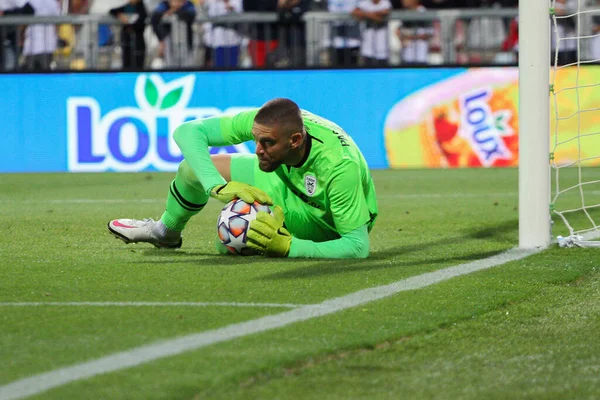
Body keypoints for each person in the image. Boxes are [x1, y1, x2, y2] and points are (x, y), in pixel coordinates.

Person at [108, 98, 378, 259]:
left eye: (267, 143)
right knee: (190, 170)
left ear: (295, 140)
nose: (257, 150)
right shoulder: (269, 125)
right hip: (284, 178)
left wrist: (288, 246)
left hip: (321, 221)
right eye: (255, 139)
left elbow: (357, 246)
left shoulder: (340, 168)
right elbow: (188, 132)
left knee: (231, 241)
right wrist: (216, 186)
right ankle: (165, 232)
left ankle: (267, 236)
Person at [150, 0, 196, 66]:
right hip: (168, 39)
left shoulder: (188, 4)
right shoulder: (164, 5)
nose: (178, 3)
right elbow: (154, 17)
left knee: (187, 63)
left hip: (186, 40)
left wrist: (174, 11)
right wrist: (160, 40)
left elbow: (191, 15)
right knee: (169, 63)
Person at [109, 0, 148, 69]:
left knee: (138, 62)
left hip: (138, 39)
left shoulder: (141, 8)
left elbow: (142, 20)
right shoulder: (127, 7)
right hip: (126, 39)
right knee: (126, 60)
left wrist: (131, 26)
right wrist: (120, 15)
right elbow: (112, 11)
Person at [352, 0, 391, 67]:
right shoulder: (364, 3)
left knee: (382, 70)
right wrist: (374, 16)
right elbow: (355, 12)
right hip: (368, 47)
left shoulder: (385, 2)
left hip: (382, 46)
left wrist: (365, 14)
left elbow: (385, 12)